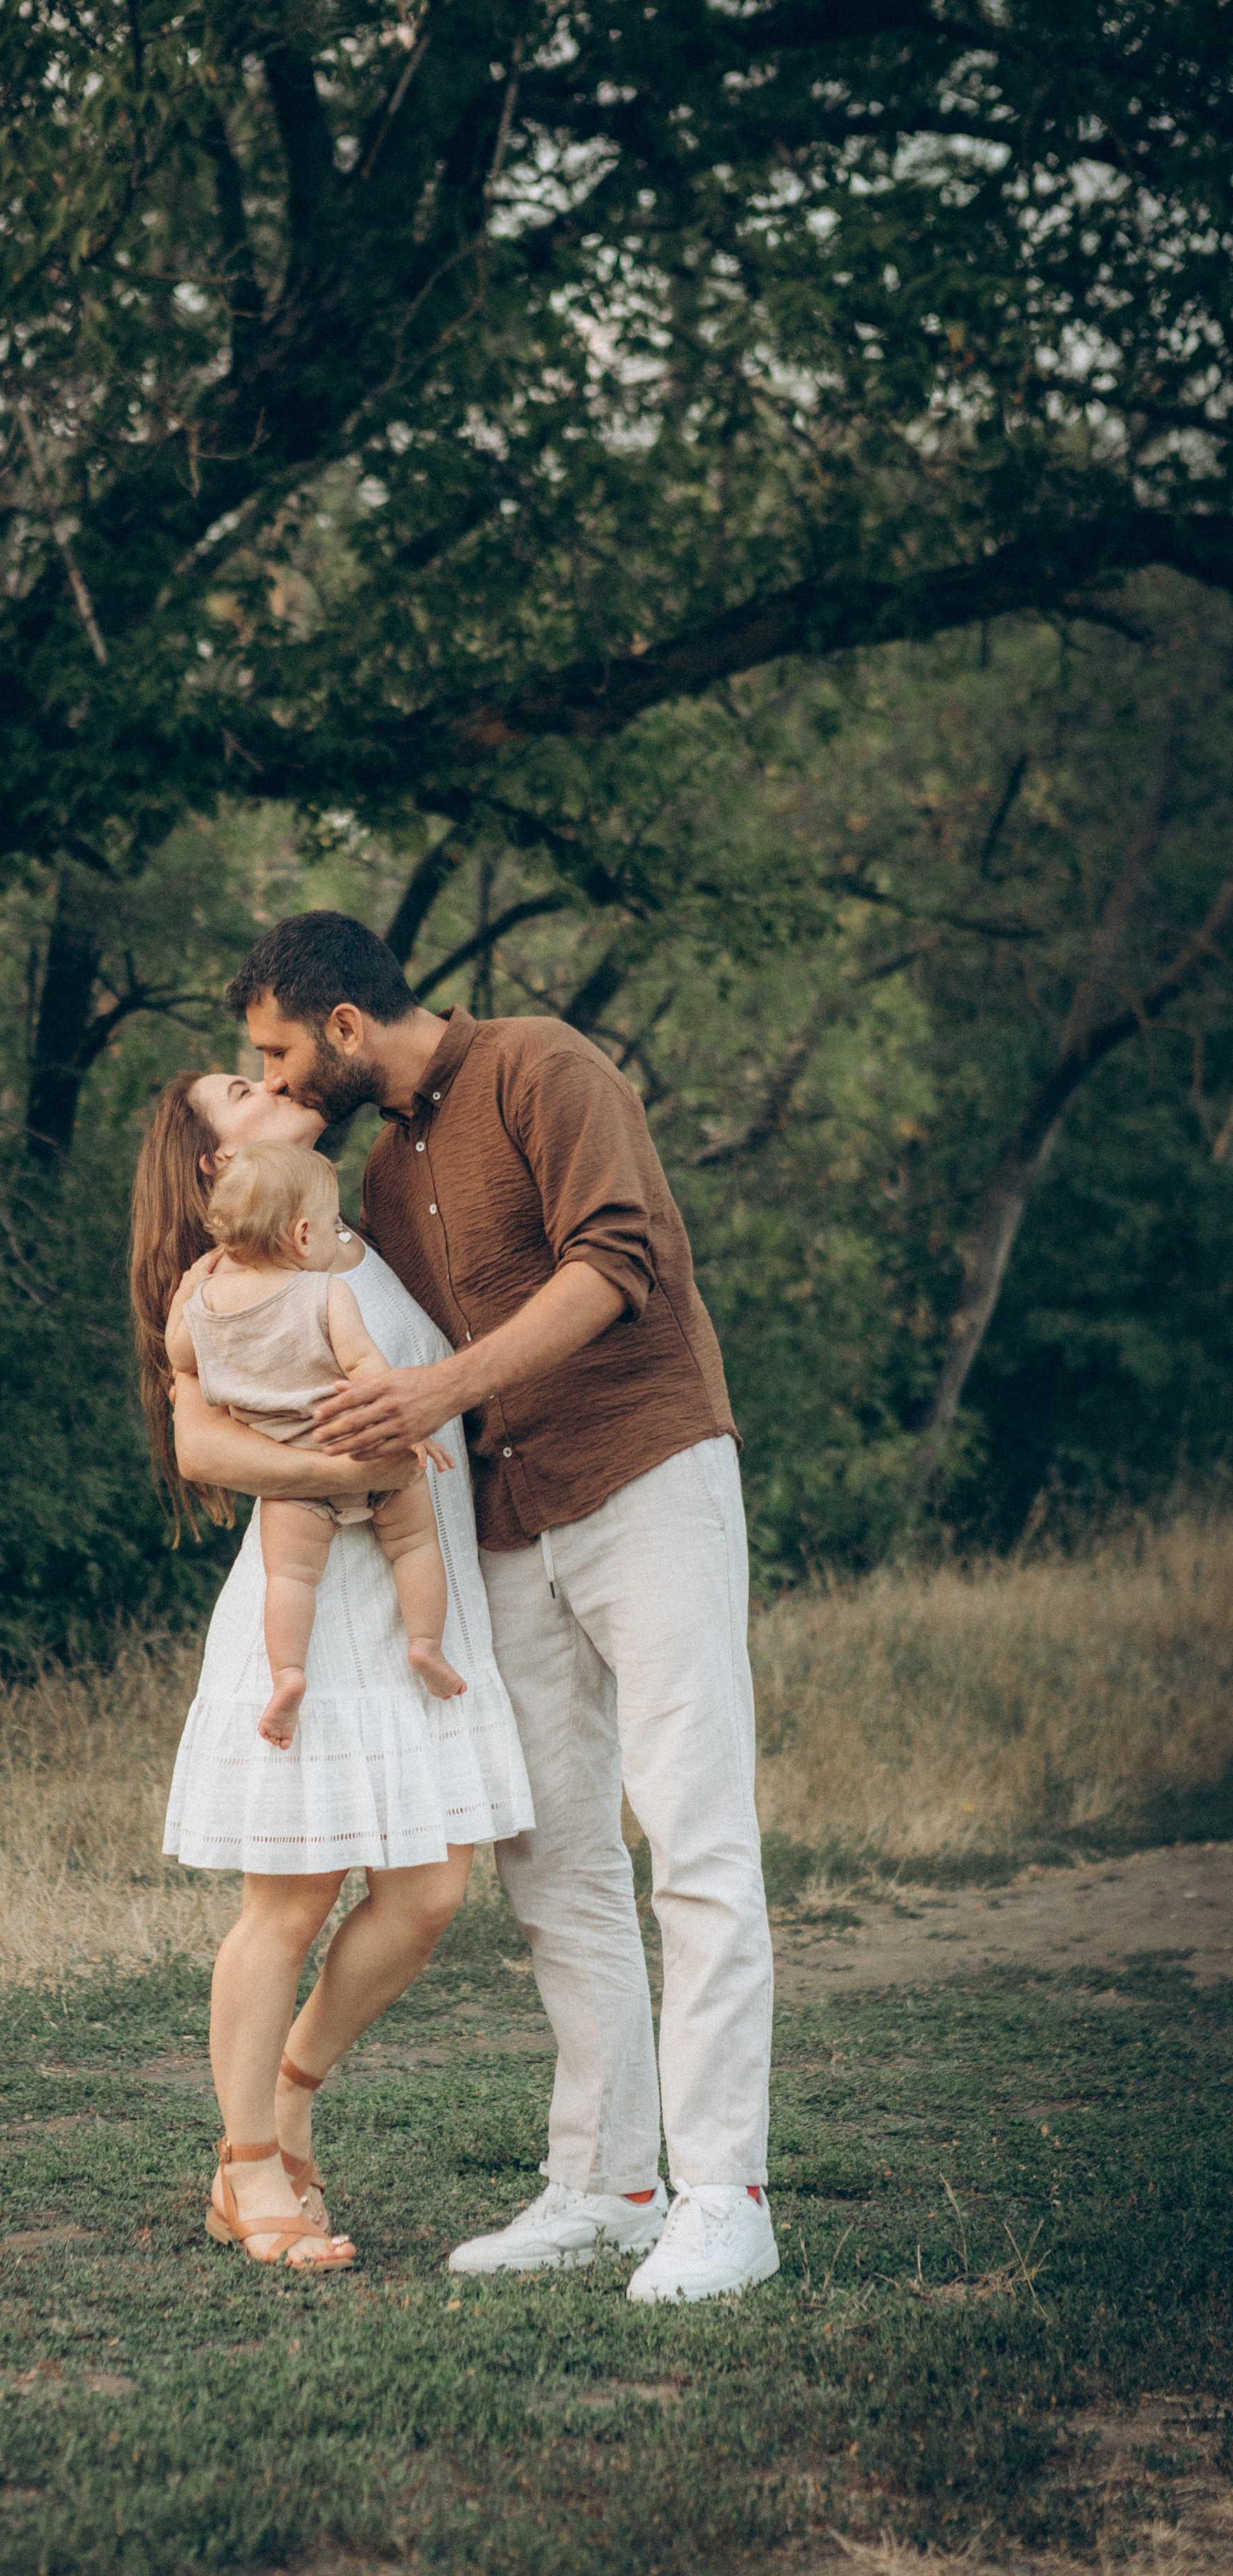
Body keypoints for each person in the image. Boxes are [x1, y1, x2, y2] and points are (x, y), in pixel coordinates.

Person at [193, 910, 777, 2307]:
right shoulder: (374, 1175)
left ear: (342, 1025)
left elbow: (616, 1262)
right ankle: (608, 2187)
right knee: (555, 1861)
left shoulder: (541, 1067)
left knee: (693, 1836)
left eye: (276, 1053)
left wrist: (437, 1396)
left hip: (646, 1477)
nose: (273, 1080)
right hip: (508, 1528)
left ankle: (725, 2197)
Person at [129, 1069, 534, 2272]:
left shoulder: (358, 1226)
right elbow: (201, 1446)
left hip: (421, 1603)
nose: (274, 1078)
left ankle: (292, 2092)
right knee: (291, 1902)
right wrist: (351, 1476)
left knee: (430, 1894)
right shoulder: (225, 1274)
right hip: (308, 1602)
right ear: (216, 1163)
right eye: (242, 1086)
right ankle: (248, 2164)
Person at [167, 1141, 467, 1750]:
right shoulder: (326, 1294)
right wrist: (410, 1428)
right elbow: (367, 1368)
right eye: (332, 1225)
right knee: (415, 1546)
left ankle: (288, 1676)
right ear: (304, 1236)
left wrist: (187, 1294)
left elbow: (180, 1356)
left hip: (292, 1482)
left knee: (290, 1579)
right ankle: (425, 1645)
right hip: (363, 1451)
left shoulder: (204, 1306)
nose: (336, 1235)